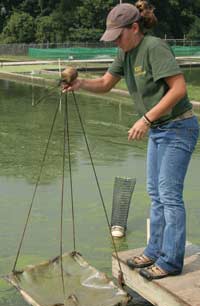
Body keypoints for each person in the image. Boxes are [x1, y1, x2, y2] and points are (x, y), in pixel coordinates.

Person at [62, 1, 199, 280]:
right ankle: (153, 250)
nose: (116, 42)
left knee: (169, 196)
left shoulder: (153, 48)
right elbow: (104, 83)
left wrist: (145, 119)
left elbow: (179, 89)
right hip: (160, 130)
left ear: (134, 28)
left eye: (118, 36)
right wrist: (80, 84)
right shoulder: (124, 53)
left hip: (178, 127)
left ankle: (171, 261)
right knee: (155, 193)